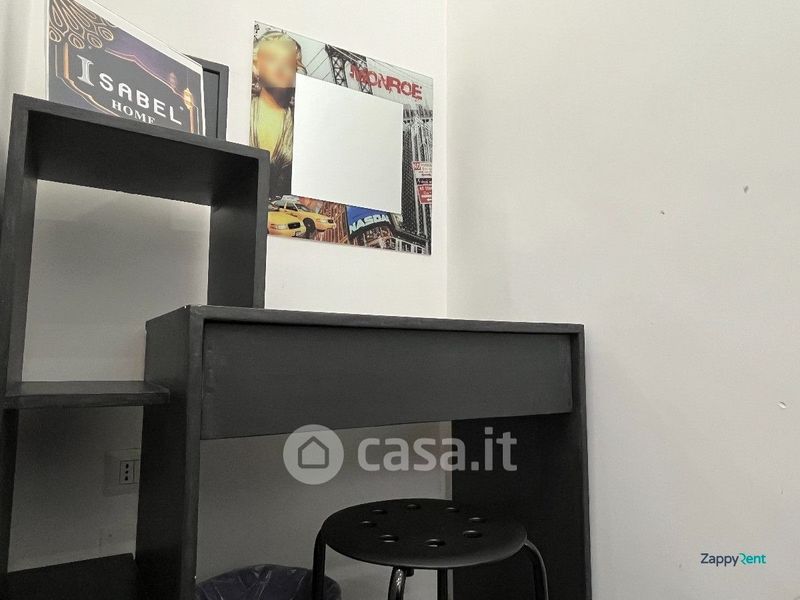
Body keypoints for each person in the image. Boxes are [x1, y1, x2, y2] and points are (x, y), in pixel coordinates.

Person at [250, 30, 307, 197]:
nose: (280, 68)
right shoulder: (244, 109)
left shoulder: (301, 123)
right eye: (272, 59)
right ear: (256, 67)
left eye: (287, 63)